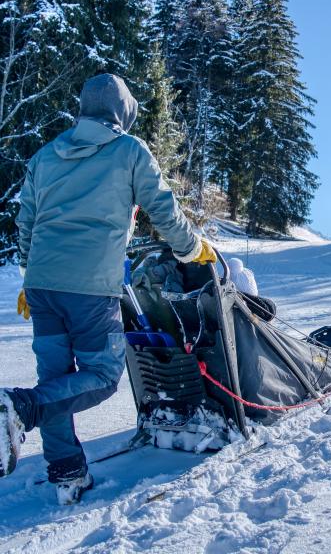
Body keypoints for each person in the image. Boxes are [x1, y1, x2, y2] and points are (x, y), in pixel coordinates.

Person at [0, 74, 217, 504]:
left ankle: (68, 474)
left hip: (43, 285)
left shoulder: (45, 156)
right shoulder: (129, 151)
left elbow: (26, 223)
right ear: (123, 112)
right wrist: (194, 250)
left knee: (56, 380)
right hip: (91, 287)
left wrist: (31, 276)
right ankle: (18, 408)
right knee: (100, 376)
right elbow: (164, 209)